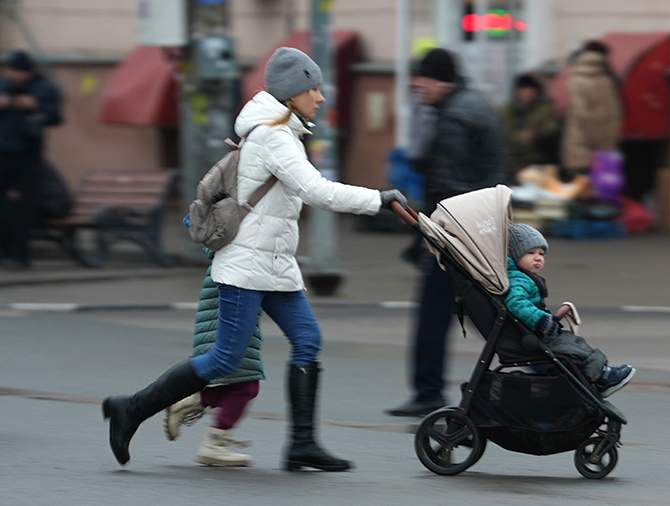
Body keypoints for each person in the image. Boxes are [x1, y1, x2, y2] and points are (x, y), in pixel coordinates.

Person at [101, 47, 408, 470]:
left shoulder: (283, 131)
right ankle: (130, 409)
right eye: (313, 88)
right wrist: (380, 198)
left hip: (275, 263)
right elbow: (316, 190)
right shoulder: (272, 136)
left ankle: (302, 445)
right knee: (226, 358)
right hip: (247, 265)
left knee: (308, 341)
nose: (320, 97)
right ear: (292, 92)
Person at [386, 47, 505, 417]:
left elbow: (447, 184)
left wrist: (434, 234)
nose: (416, 86)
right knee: (489, 311)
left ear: (439, 79)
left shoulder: (455, 118)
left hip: (455, 234)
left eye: (421, 79)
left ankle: (427, 391)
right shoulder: (473, 106)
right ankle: (534, 368)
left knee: (435, 314)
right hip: (479, 228)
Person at [505, 223, 635, 396]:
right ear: (514, 255)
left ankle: (599, 375)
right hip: (532, 334)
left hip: (533, 331)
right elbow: (517, 304)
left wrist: (548, 318)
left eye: (541, 254)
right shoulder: (518, 280)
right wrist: (542, 320)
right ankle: (600, 377)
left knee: (574, 343)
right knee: (571, 348)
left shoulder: (523, 277)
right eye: (530, 253)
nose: (537, 258)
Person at [163, 249, 264, 467]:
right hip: (232, 300)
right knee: (246, 385)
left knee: (236, 383)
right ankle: (215, 443)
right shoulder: (238, 246)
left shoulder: (227, 249)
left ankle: (189, 403)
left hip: (230, 299)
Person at [0, 50, 63, 269]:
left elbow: (55, 116)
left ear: (27, 72)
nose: (12, 76)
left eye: (17, 72)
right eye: (10, 71)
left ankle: (20, 256)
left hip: (28, 154)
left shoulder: (43, 88)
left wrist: (34, 105)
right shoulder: (4, 85)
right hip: (3, 151)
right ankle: (5, 252)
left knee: (21, 206)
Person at [561, 41, 621, 181]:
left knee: (582, 191)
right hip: (599, 149)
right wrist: (604, 147)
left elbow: (582, 113)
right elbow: (609, 114)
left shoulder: (576, 77)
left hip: (581, 147)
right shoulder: (606, 79)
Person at [500, 73, 561, 177]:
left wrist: (537, 135)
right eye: (523, 89)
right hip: (513, 164)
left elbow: (553, 129)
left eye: (530, 89)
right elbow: (502, 133)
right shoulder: (506, 111)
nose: (527, 93)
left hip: (537, 163)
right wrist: (518, 137)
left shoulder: (545, 110)